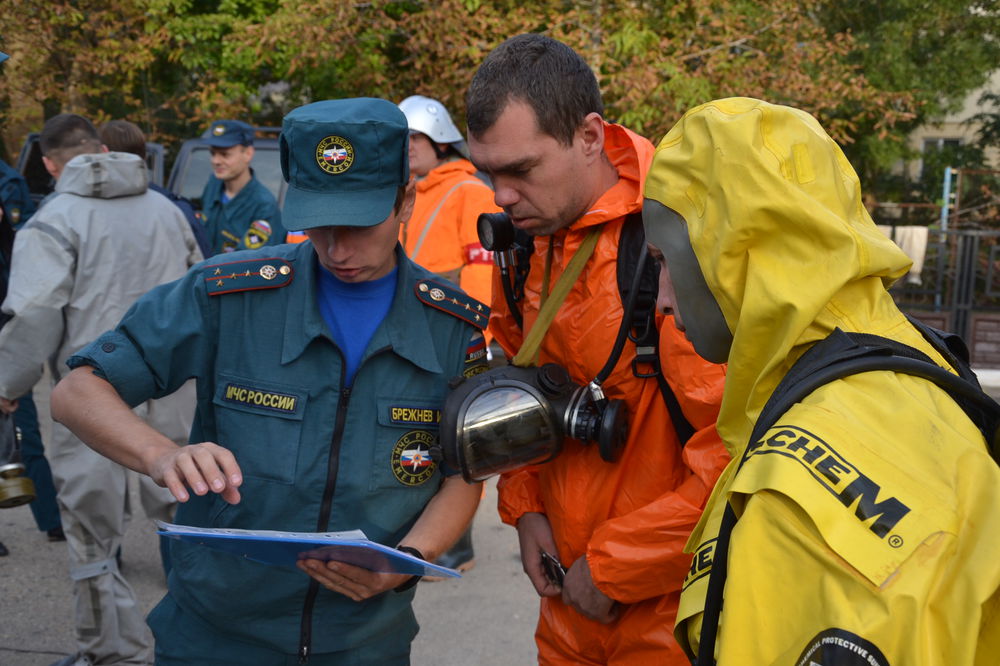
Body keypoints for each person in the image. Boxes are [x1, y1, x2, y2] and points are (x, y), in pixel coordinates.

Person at [50, 97, 487, 664]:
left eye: (360, 223)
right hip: (215, 638)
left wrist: (404, 561)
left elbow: (464, 471)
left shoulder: (452, 326)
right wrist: (161, 455)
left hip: (364, 642)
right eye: (319, 222)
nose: (338, 247)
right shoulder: (227, 295)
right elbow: (76, 391)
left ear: (406, 200)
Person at [643, 97, 1000, 664]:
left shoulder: (796, 492)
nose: (660, 299)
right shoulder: (909, 361)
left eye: (663, 262)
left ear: (730, 258)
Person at [465, 34, 729, 663]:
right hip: (567, 601)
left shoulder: (672, 246)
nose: (500, 196)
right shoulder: (526, 247)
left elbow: (736, 458)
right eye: (489, 172)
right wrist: (526, 510)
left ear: (589, 135)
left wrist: (612, 569)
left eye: (521, 170)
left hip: (670, 614)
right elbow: (514, 386)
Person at [0, 112, 202, 666]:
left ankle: (114, 654)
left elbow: (33, 315)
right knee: (187, 519)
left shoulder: (54, 220)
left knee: (91, 534)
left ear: (48, 162)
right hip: (173, 392)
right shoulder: (166, 210)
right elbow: (203, 291)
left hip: (92, 398)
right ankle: (199, 640)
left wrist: (5, 384)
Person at [397, 93, 500, 576]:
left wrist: (476, 336)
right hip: (409, 326)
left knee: (453, 442)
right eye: (405, 138)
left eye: (418, 136)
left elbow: (482, 270)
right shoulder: (406, 190)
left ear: (440, 141)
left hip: (450, 332)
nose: (410, 146)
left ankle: (455, 546)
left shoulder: (469, 191)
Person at [99, 119, 212, 258]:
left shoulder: (86, 213)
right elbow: (205, 267)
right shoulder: (176, 209)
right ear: (145, 156)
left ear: (103, 151)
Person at [199, 119, 284, 254]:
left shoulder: (264, 206)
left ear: (248, 154)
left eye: (224, 154)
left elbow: (252, 264)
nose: (215, 161)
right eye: (213, 153)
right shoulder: (213, 184)